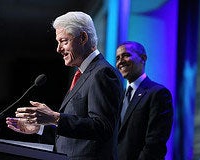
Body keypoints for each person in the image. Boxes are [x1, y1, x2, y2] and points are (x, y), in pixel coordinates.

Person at [6, 11, 123, 160]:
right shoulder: (84, 74)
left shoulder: (102, 73)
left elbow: (102, 128)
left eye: (63, 41)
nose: (58, 49)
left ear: (83, 38)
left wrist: (56, 118)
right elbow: (75, 135)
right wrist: (41, 127)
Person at [115, 41, 173, 160]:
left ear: (143, 58)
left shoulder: (158, 93)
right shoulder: (118, 97)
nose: (120, 61)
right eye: (117, 58)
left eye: (126, 55)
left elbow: (155, 144)